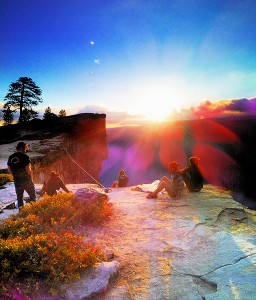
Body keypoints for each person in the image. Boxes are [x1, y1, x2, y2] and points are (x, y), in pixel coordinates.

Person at [7, 142, 36, 209]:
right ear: (21, 148)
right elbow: (28, 168)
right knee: (32, 195)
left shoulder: (11, 157)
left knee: (20, 198)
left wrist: (14, 175)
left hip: (17, 181)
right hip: (26, 179)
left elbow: (9, 168)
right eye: (25, 148)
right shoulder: (25, 156)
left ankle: (21, 215)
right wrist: (31, 178)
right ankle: (34, 211)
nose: (26, 149)